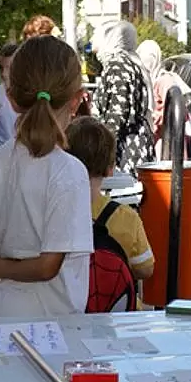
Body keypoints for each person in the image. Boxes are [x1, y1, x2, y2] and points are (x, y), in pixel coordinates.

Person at [0, 36, 94, 317]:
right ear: (76, 100)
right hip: (52, 322)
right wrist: (0, 267)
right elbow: (49, 265)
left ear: (11, 99)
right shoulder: (70, 172)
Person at [66, 116, 156, 282]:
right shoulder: (127, 217)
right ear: (110, 169)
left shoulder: (54, 211)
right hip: (115, 306)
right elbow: (146, 269)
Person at [91, 20, 156, 174]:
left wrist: (102, 151)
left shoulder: (117, 64)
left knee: (120, 196)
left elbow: (117, 114)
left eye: (96, 34)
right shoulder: (128, 62)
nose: (91, 38)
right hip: (132, 146)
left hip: (124, 152)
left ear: (109, 37)